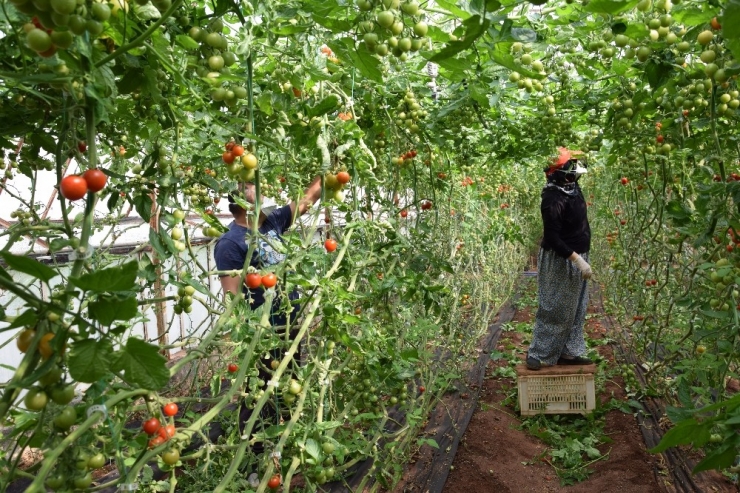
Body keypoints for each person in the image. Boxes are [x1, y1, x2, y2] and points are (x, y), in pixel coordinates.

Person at [214, 176, 323, 326]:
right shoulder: (230, 243)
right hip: (263, 329)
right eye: (260, 194)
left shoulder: (272, 221)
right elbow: (232, 297)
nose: (266, 197)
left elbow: (307, 199)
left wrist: (327, 170)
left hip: (289, 320)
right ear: (245, 206)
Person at [526, 147, 593, 371]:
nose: (574, 174)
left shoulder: (572, 188)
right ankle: (537, 352)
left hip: (577, 256)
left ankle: (568, 352)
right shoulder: (552, 198)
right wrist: (577, 260)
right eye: (569, 170)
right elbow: (553, 238)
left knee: (576, 309)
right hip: (562, 259)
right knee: (554, 307)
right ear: (557, 174)